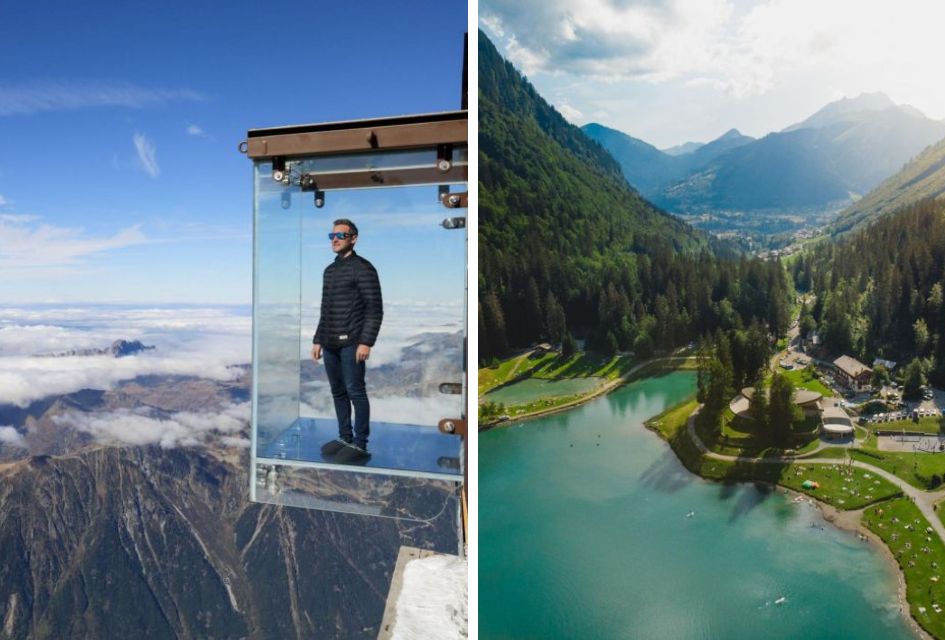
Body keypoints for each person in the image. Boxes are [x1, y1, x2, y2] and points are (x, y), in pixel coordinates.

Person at [311, 219, 383, 464]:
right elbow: (326, 309)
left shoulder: (363, 268)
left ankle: (360, 444)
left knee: (355, 391)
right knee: (338, 391)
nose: (335, 238)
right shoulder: (329, 271)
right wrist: (318, 339)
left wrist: (366, 342)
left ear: (354, 238)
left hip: (352, 342)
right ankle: (344, 438)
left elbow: (375, 309)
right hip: (330, 342)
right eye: (332, 234)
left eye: (341, 234)